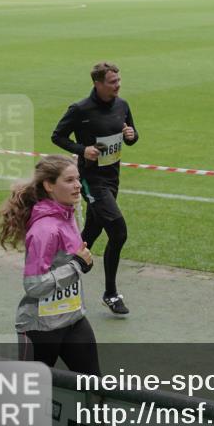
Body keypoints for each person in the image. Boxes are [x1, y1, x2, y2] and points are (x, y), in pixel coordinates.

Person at [0, 155, 99, 376]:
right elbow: (34, 286)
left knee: (96, 386)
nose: (78, 185)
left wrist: (81, 262)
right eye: (69, 180)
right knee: (32, 392)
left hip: (73, 320)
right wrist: (77, 265)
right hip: (41, 328)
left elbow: (72, 259)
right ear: (49, 185)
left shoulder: (67, 213)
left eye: (78, 179)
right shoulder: (44, 230)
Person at [51, 62, 138, 316]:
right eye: (112, 82)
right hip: (91, 180)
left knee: (91, 231)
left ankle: (61, 269)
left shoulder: (122, 106)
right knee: (118, 232)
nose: (118, 85)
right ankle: (111, 293)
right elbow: (57, 136)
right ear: (98, 84)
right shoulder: (80, 109)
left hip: (113, 179)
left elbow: (131, 136)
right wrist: (83, 150)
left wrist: (131, 135)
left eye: (118, 80)